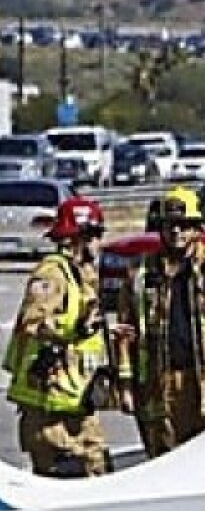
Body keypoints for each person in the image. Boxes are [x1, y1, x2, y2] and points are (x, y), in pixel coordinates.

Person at [116, 187, 205, 457]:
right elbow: (125, 334)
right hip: (157, 385)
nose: (176, 232)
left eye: (184, 225)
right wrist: (125, 387)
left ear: (198, 228)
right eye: (169, 225)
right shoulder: (140, 273)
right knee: (162, 459)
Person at [3, 197, 111, 476]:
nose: (100, 243)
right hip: (48, 407)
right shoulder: (53, 274)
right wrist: (75, 328)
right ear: (79, 238)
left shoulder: (79, 275)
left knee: (96, 470)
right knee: (67, 477)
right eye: (96, 235)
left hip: (73, 402)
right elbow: (32, 322)